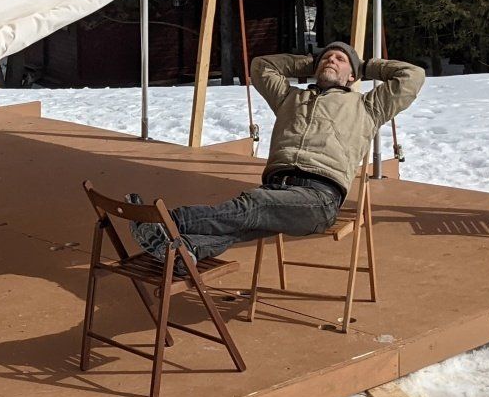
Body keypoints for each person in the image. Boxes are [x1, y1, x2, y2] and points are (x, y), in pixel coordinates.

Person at [134, 42, 424, 266]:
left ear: (352, 75)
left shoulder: (368, 107)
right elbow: (261, 66)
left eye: (340, 59)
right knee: (246, 220)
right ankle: (185, 251)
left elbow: (413, 76)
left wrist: (366, 66)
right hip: (277, 189)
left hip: (318, 199)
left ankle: (167, 220)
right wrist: (311, 62)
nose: (330, 60)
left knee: (251, 206)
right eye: (326, 57)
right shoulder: (290, 98)